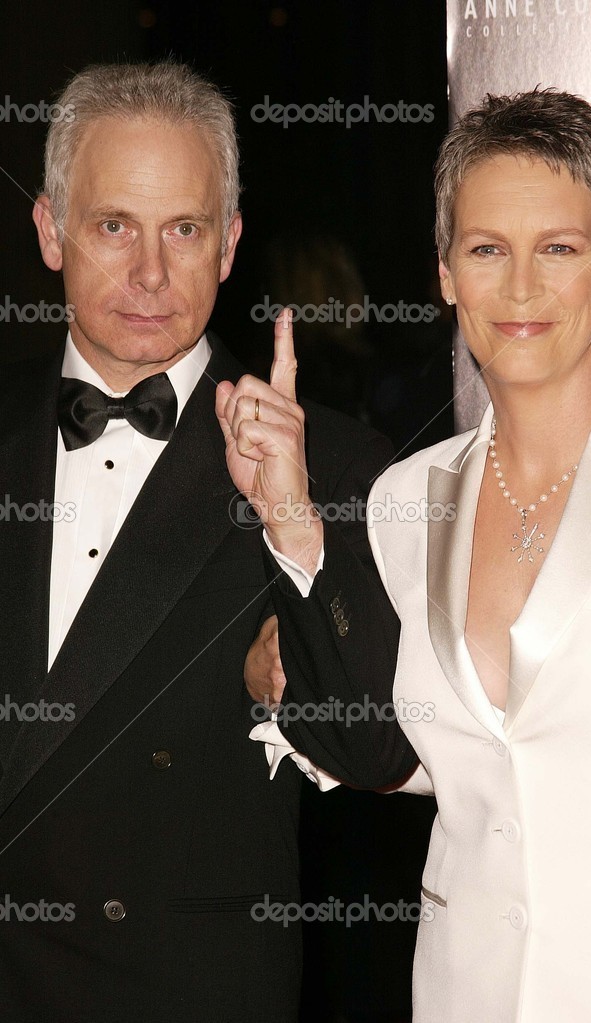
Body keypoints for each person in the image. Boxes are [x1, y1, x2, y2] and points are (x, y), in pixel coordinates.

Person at [226, 89, 591, 1021]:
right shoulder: (404, 499)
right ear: (444, 273)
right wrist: (293, 525)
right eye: (486, 249)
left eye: (559, 248)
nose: (519, 288)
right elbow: (411, 751)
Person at [0, 60, 416, 1022]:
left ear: (228, 244)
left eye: (184, 229)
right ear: (51, 231)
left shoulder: (333, 463)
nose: (151, 273)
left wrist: (292, 523)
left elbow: (372, 747)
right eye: (114, 226)